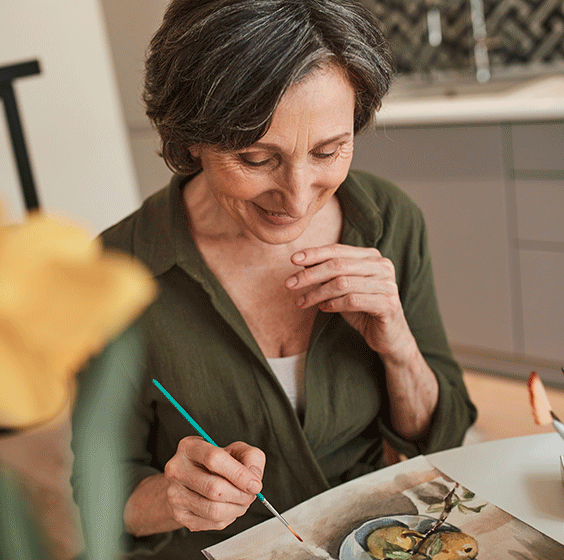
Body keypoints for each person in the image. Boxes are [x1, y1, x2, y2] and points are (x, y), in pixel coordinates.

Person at [72, 1, 477, 557]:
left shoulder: (387, 220)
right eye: (257, 159)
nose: (298, 196)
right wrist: (174, 497)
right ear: (191, 138)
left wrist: (399, 350)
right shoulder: (116, 272)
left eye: (328, 151)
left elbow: (444, 436)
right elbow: (99, 490)